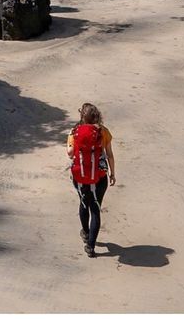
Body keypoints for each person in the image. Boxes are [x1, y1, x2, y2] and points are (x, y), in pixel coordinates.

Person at [68, 102, 115, 257]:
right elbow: (109, 154)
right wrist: (112, 173)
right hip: (99, 177)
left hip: (80, 176)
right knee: (95, 209)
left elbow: (69, 153)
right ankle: (91, 246)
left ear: (82, 116)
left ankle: (86, 233)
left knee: (83, 204)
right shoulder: (104, 132)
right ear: (97, 116)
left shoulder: (74, 131)